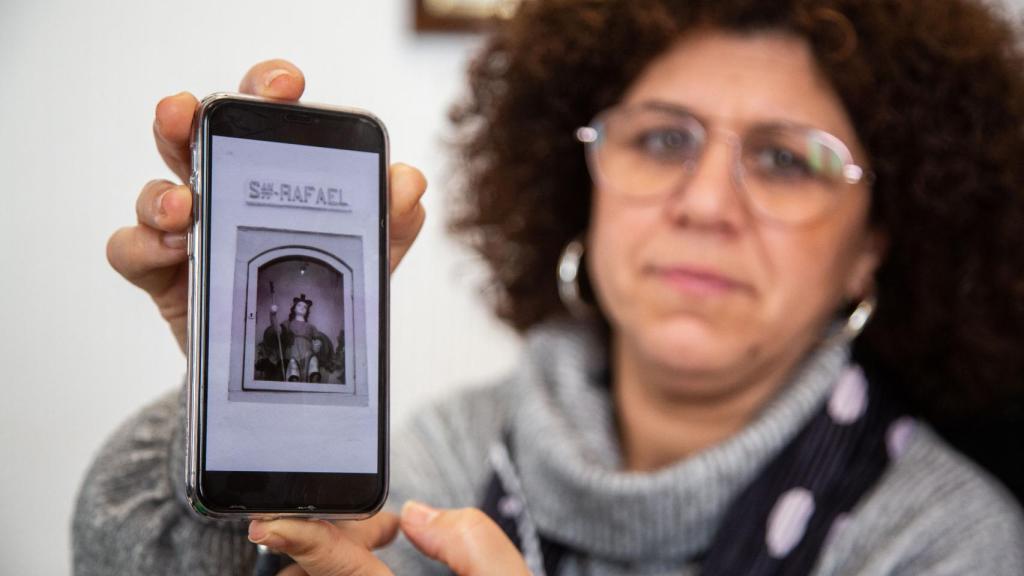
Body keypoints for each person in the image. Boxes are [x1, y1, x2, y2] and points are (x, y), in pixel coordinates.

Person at [76, 0, 1024, 574]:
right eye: (662, 139)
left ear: (872, 250)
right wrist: (231, 391)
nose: (705, 204)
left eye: (785, 160)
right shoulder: (441, 460)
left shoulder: (949, 543)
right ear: (582, 188)